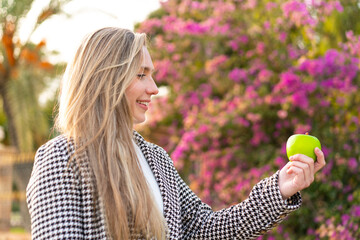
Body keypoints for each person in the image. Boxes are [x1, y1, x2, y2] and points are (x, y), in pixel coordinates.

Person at [26, 27, 326, 240]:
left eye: (151, 74)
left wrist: (280, 189)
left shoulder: (156, 159)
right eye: (141, 74)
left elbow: (206, 229)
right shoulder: (61, 157)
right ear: (106, 79)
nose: (154, 88)